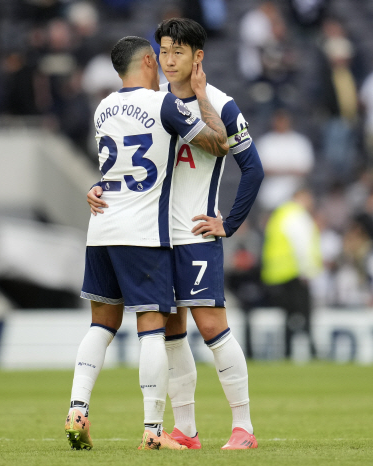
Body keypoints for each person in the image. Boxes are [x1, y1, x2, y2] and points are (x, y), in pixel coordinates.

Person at [88, 18, 263, 450]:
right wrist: (97, 186)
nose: (168, 60)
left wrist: (229, 222)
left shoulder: (222, 104)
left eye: (178, 52)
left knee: (213, 328)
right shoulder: (154, 101)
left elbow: (252, 167)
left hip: (197, 232)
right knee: (170, 333)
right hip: (157, 237)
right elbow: (127, 162)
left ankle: (244, 427)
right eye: (164, 51)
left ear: (198, 57)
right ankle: (186, 429)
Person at [64, 35, 229, 452]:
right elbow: (219, 143)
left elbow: (112, 168)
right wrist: (202, 93)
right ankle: (154, 430)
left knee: (100, 324)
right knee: (152, 328)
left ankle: (78, 408)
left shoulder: (102, 107)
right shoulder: (164, 104)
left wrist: (96, 187)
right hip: (142, 234)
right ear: (150, 62)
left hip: (100, 227)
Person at [261, 187, 322, 359]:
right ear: (301, 196)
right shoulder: (296, 215)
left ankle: (287, 351)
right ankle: (312, 351)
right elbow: (301, 245)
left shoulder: (281, 213)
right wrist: (307, 271)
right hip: (294, 273)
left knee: (289, 316)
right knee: (304, 314)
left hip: (278, 274)